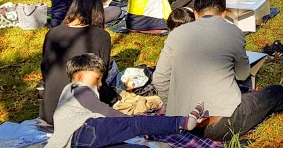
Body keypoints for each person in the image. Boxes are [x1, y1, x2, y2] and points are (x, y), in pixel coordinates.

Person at [152, 0, 283, 142]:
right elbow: (242, 75)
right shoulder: (233, 31)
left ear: (195, 14)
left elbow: (159, 80)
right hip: (220, 125)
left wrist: (176, 110)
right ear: (223, 14)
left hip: (181, 124)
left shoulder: (175, 34)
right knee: (272, 92)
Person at [45, 52, 207, 148]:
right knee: (138, 123)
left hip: (81, 142)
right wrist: (128, 122)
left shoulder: (69, 95)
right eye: (97, 78)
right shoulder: (80, 90)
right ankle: (183, 122)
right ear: (81, 76)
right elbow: (102, 110)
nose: (100, 83)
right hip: (84, 131)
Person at [41, 0, 116, 125]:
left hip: (50, 109)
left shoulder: (52, 33)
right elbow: (100, 77)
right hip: (81, 112)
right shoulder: (101, 36)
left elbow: (45, 70)